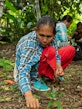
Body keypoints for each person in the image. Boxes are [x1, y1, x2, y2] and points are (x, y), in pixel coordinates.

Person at [14, 15, 75, 109]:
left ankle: (48, 75)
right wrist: (28, 96)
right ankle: (36, 79)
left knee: (69, 50)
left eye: (49, 36)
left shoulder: (53, 40)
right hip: (29, 70)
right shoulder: (29, 44)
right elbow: (23, 71)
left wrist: (58, 65)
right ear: (36, 31)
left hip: (42, 61)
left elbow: (56, 54)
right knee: (49, 51)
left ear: (54, 34)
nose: (45, 40)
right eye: (41, 35)